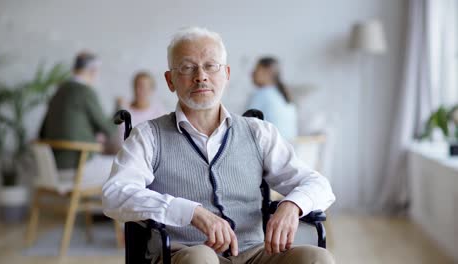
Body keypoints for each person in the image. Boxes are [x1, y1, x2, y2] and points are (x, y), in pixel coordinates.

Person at [102, 27, 335, 264]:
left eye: (211, 66)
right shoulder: (149, 135)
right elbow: (115, 194)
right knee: (201, 258)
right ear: (170, 80)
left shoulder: (258, 132)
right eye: (187, 67)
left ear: (226, 74)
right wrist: (189, 211)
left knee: (317, 258)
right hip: (183, 253)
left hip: (254, 252)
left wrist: (292, 205)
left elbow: (319, 184)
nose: (200, 75)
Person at [39, 51, 116, 187]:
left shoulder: (58, 91)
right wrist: (120, 108)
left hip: (52, 169)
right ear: (93, 71)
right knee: (123, 165)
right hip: (76, 168)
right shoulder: (84, 92)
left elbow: (42, 132)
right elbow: (108, 129)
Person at [247, 57, 298, 140]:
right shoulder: (284, 95)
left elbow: (245, 126)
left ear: (267, 72)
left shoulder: (261, 94)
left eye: (256, 69)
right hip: (291, 147)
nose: (252, 73)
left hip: (270, 149)